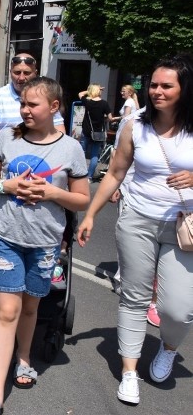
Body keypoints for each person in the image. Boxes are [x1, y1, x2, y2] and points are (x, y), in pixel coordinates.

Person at [77, 53, 193, 407]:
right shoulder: (136, 124)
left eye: (166, 86)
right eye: (153, 84)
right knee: (134, 296)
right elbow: (115, 173)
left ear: (184, 89)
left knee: (179, 308)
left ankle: (169, 349)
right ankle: (129, 371)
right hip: (137, 218)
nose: (156, 91)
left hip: (183, 225)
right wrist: (91, 214)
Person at [0, 77, 89, 415]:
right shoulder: (8, 137)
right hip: (4, 236)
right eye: (22, 103)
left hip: (44, 242)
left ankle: (24, 358)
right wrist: (6, 186)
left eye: (32, 104)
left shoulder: (71, 149)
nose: (24, 110)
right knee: (7, 310)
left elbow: (82, 200)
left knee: (29, 308)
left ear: (54, 107)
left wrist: (53, 193)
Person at [0, 52, 65, 150]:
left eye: (27, 73)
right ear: (10, 72)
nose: (21, 78)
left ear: (35, 73)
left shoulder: (46, 97)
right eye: (17, 72)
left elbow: (60, 133)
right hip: (4, 162)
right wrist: (13, 158)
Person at [80, 83, 112, 181]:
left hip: (86, 131)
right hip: (98, 133)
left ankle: (79, 174)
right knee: (94, 155)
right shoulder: (104, 103)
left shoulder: (88, 102)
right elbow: (110, 118)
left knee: (81, 152)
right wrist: (104, 118)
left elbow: (80, 94)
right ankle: (89, 177)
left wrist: (90, 90)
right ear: (98, 91)